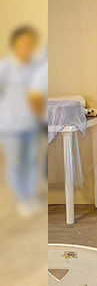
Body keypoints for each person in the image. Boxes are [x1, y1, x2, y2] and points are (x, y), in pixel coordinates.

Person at [0, 26, 42, 216]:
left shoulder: (36, 68)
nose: (26, 45)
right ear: (15, 43)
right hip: (10, 126)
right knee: (15, 163)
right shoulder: (5, 67)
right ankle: (22, 200)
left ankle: (30, 197)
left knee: (32, 162)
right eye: (23, 41)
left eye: (30, 42)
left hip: (31, 124)